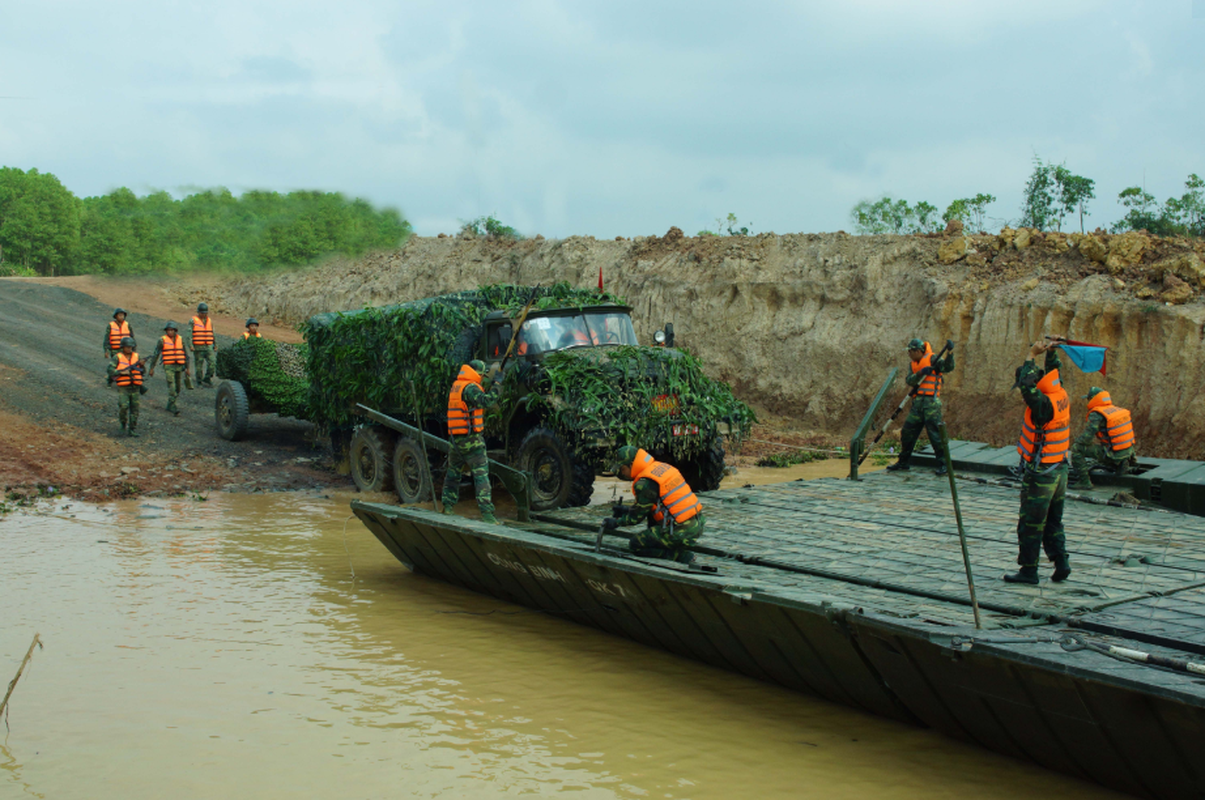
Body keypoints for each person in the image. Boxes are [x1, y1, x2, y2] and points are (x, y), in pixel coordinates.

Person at [1005, 340, 1072, 585]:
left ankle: (1029, 571)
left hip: (1042, 473)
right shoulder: (1059, 393)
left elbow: (1027, 386)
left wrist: (1031, 355)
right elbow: (1055, 373)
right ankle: (1061, 562)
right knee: (1054, 521)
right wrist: (1051, 352)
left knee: (1031, 524)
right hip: (1060, 469)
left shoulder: (1042, 404)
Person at [604, 445, 704, 563]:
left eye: (622, 469)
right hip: (696, 522)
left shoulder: (644, 484)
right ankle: (671, 542)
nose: (622, 473)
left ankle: (680, 556)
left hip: (682, 530)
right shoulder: (660, 468)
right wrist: (626, 510)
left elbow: (636, 518)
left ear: (631, 465)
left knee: (636, 544)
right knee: (651, 524)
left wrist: (616, 522)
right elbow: (653, 506)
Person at [441, 360, 501, 523]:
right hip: (471, 440)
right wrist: (497, 385)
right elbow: (487, 401)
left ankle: (447, 507)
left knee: (453, 474)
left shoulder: (457, 386)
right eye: (482, 375)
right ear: (477, 373)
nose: (482, 378)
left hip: (455, 440)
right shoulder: (470, 387)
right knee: (481, 475)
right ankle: (487, 514)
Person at [886, 338, 955, 475]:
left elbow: (948, 367)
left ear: (917, 351)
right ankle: (903, 462)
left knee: (935, 434)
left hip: (931, 404)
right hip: (917, 404)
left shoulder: (933, 358)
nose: (909, 354)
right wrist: (921, 372)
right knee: (907, 432)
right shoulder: (913, 365)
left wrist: (950, 353)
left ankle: (944, 464)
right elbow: (910, 380)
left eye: (910, 351)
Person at [1069, 387, 1136, 489]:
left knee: (1076, 448)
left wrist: (1077, 441)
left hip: (1114, 454)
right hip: (1128, 452)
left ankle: (1084, 482)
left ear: (1092, 399)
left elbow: (1087, 438)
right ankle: (1121, 464)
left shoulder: (1096, 414)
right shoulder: (1116, 410)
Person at [148, 321, 192, 416]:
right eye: (168, 330)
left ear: (175, 331)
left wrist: (187, 368)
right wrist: (152, 368)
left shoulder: (181, 339)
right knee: (172, 387)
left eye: (172, 330)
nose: (170, 332)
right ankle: (173, 406)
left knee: (178, 388)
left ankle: (170, 404)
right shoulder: (162, 340)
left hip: (179, 366)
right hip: (169, 366)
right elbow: (156, 354)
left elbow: (185, 354)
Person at [106, 336, 145, 436]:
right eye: (127, 347)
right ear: (123, 347)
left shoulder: (136, 356)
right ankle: (123, 424)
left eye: (131, 347)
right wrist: (121, 372)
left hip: (135, 386)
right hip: (124, 387)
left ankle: (132, 429)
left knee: (135, 409)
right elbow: (110, 370)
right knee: (123, 406)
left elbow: (142, 371)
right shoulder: (117, 357)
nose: (129, 349)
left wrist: (142, 365)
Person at [190, 302, 217, 387]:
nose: (204, 314)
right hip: (198, 347)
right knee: (199, 365)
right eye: (202, 313)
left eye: (205, 313)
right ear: (198, 312)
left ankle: (207, 378)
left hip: (208, 346)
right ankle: (199, 381)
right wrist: (190, 345)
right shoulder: (193, 321)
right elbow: (189, 334)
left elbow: (213, 333)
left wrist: (215, 344)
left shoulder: (209, 321)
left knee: (212, 363)